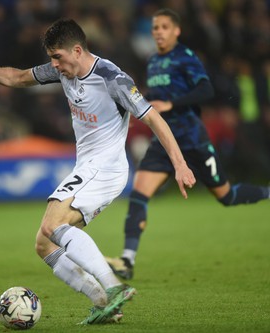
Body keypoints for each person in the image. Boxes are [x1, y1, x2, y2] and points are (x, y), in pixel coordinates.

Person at [0, 18, 196, 325]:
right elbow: (19, 77)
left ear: (77, 50)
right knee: (44, 243)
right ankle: (102, 302)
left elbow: (154, 119)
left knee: (52, 223)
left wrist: (179, 164)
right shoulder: (63, 70)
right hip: (88, 166)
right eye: (51, 58)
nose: (54, 65)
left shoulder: (112, 78)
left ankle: (113, 288)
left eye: (57, 57)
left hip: (106, 166)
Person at [105, 8, 270, 281]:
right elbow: (156, 99)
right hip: (163, 141)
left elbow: (206, 90)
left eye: (164, 27)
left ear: (176, 31)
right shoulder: (153, 62)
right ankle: (127, 260)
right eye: (155, 27)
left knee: (226, 197)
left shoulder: (185, 57)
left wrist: (172, 104)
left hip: (193, 140)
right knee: (139, 193)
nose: (158, 31)